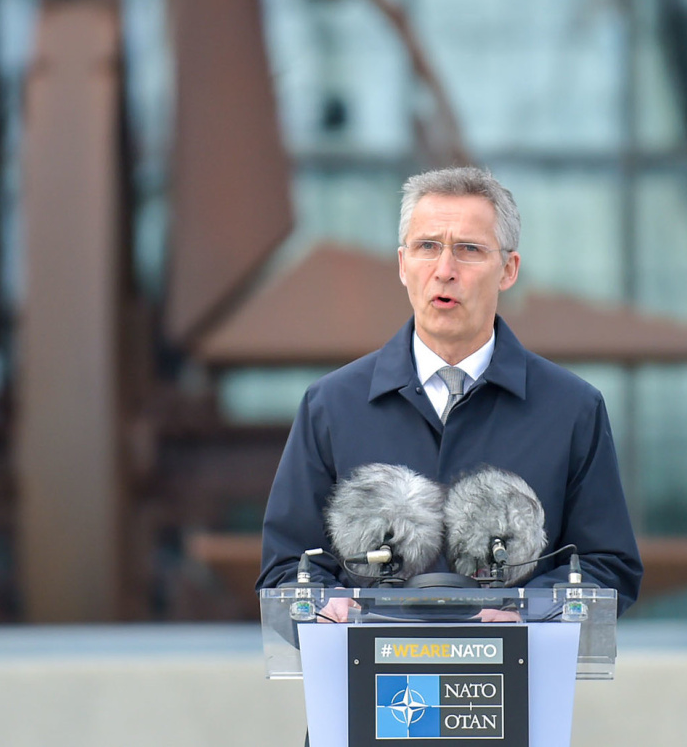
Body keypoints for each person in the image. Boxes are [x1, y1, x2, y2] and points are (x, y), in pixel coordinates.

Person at [255, 167, 643, 615]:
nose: (444, 271)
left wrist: (524, 615)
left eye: (469, 250)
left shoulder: (571, 409)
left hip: (515, 660)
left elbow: (607, 567)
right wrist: (328, 608)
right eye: (427, 247)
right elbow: (287, 568)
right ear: (402, 265)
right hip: (373, 661)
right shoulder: (331, 405)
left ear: (508, 270)